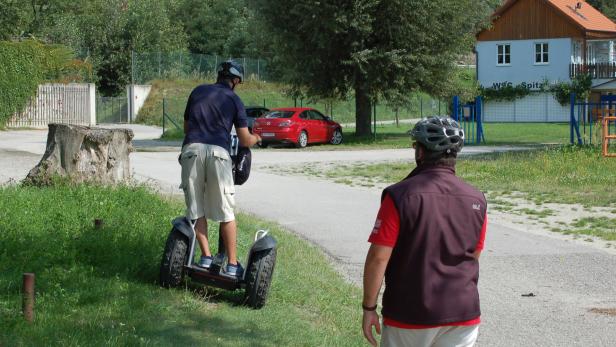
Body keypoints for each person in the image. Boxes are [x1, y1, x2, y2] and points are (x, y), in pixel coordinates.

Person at [361, 117, 488, 347]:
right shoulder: (477, 199)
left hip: (410, 315)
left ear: (420, 152)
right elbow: (474, 254)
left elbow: (379, 258)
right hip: (463, 314)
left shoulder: (399, 196)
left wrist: (369, 307)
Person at [179, 60, 261, 278]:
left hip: (192, 149)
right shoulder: (234, 99)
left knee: (196, 209)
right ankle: (232, 264)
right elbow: (244, 139)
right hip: (218, 154)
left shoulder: (198, 91)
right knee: (226, 212)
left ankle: (205, 258)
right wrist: (256, 138)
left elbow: (187, 127)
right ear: (234, 81)